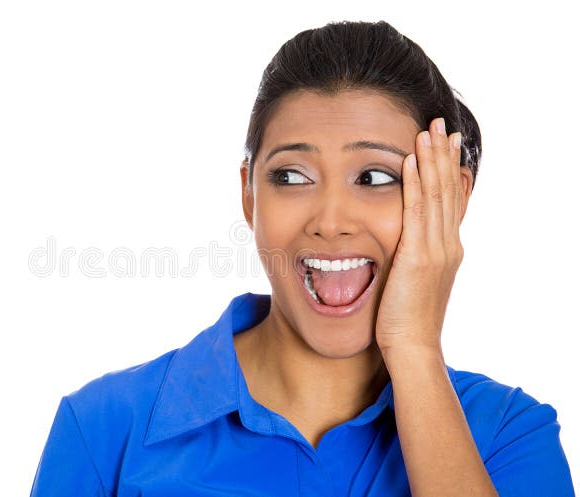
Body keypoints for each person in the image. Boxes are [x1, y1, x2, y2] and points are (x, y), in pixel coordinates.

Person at [29, 20, 575, 496]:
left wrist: (413, 349)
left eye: (375, 177)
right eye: (291, 176)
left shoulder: (508, 434)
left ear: (449, 197)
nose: (330, 219)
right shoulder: (104, 430)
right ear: (249, 195)